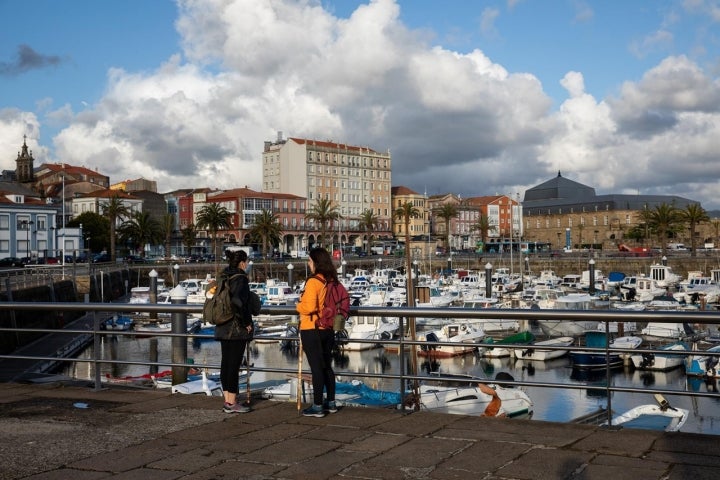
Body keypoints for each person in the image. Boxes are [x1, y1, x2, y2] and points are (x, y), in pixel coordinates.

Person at [296, 247, 339, 417]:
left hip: (312, 328)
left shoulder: (313, 281)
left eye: (309, 260)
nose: (308, 263)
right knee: (327, 366)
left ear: (315, 262)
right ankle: (332, 402)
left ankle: (318, 405)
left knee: (316, 368)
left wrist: (297, 305)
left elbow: (308, 307)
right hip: (328, 328)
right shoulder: (330, 280)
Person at [214, 249, 254, 413]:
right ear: (243, 263)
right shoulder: (241, 279)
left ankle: (227, 401)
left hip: (222, 324)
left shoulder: (225, 276)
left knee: (226, 363)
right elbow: (238, 302)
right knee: (234, 365)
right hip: (235, 328)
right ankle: (232, 403)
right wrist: (246, 323)